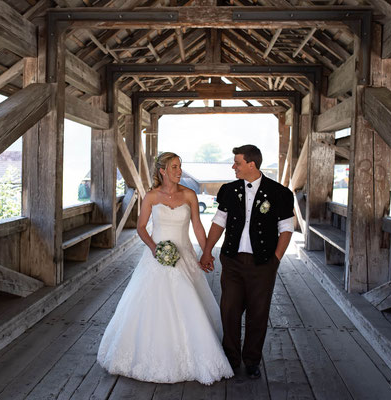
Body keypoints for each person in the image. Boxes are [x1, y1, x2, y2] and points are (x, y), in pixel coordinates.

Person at [97, 152, 233, 385]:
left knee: (188, 301)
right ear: (162, 170)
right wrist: (154, 249)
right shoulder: (151, 196)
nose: (179, 171)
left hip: (184, 255)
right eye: (174, 167)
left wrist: (207, 252)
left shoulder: (189, 195)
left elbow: (198, 227)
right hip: (156, 256)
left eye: (180, 166)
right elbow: (141, 228)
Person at [200, 144, 294, 379]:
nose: (234, 167)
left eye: (237, 163)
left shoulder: (279, 193)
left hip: (263, 262)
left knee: (258, 313)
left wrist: (275, 260)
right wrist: (207, 250)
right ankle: (231, 358)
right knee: (229, 310)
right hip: (232, 260)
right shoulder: (229, 190)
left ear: (251, 164)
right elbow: (218, 222)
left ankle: (252, 360)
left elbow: (286, 229)